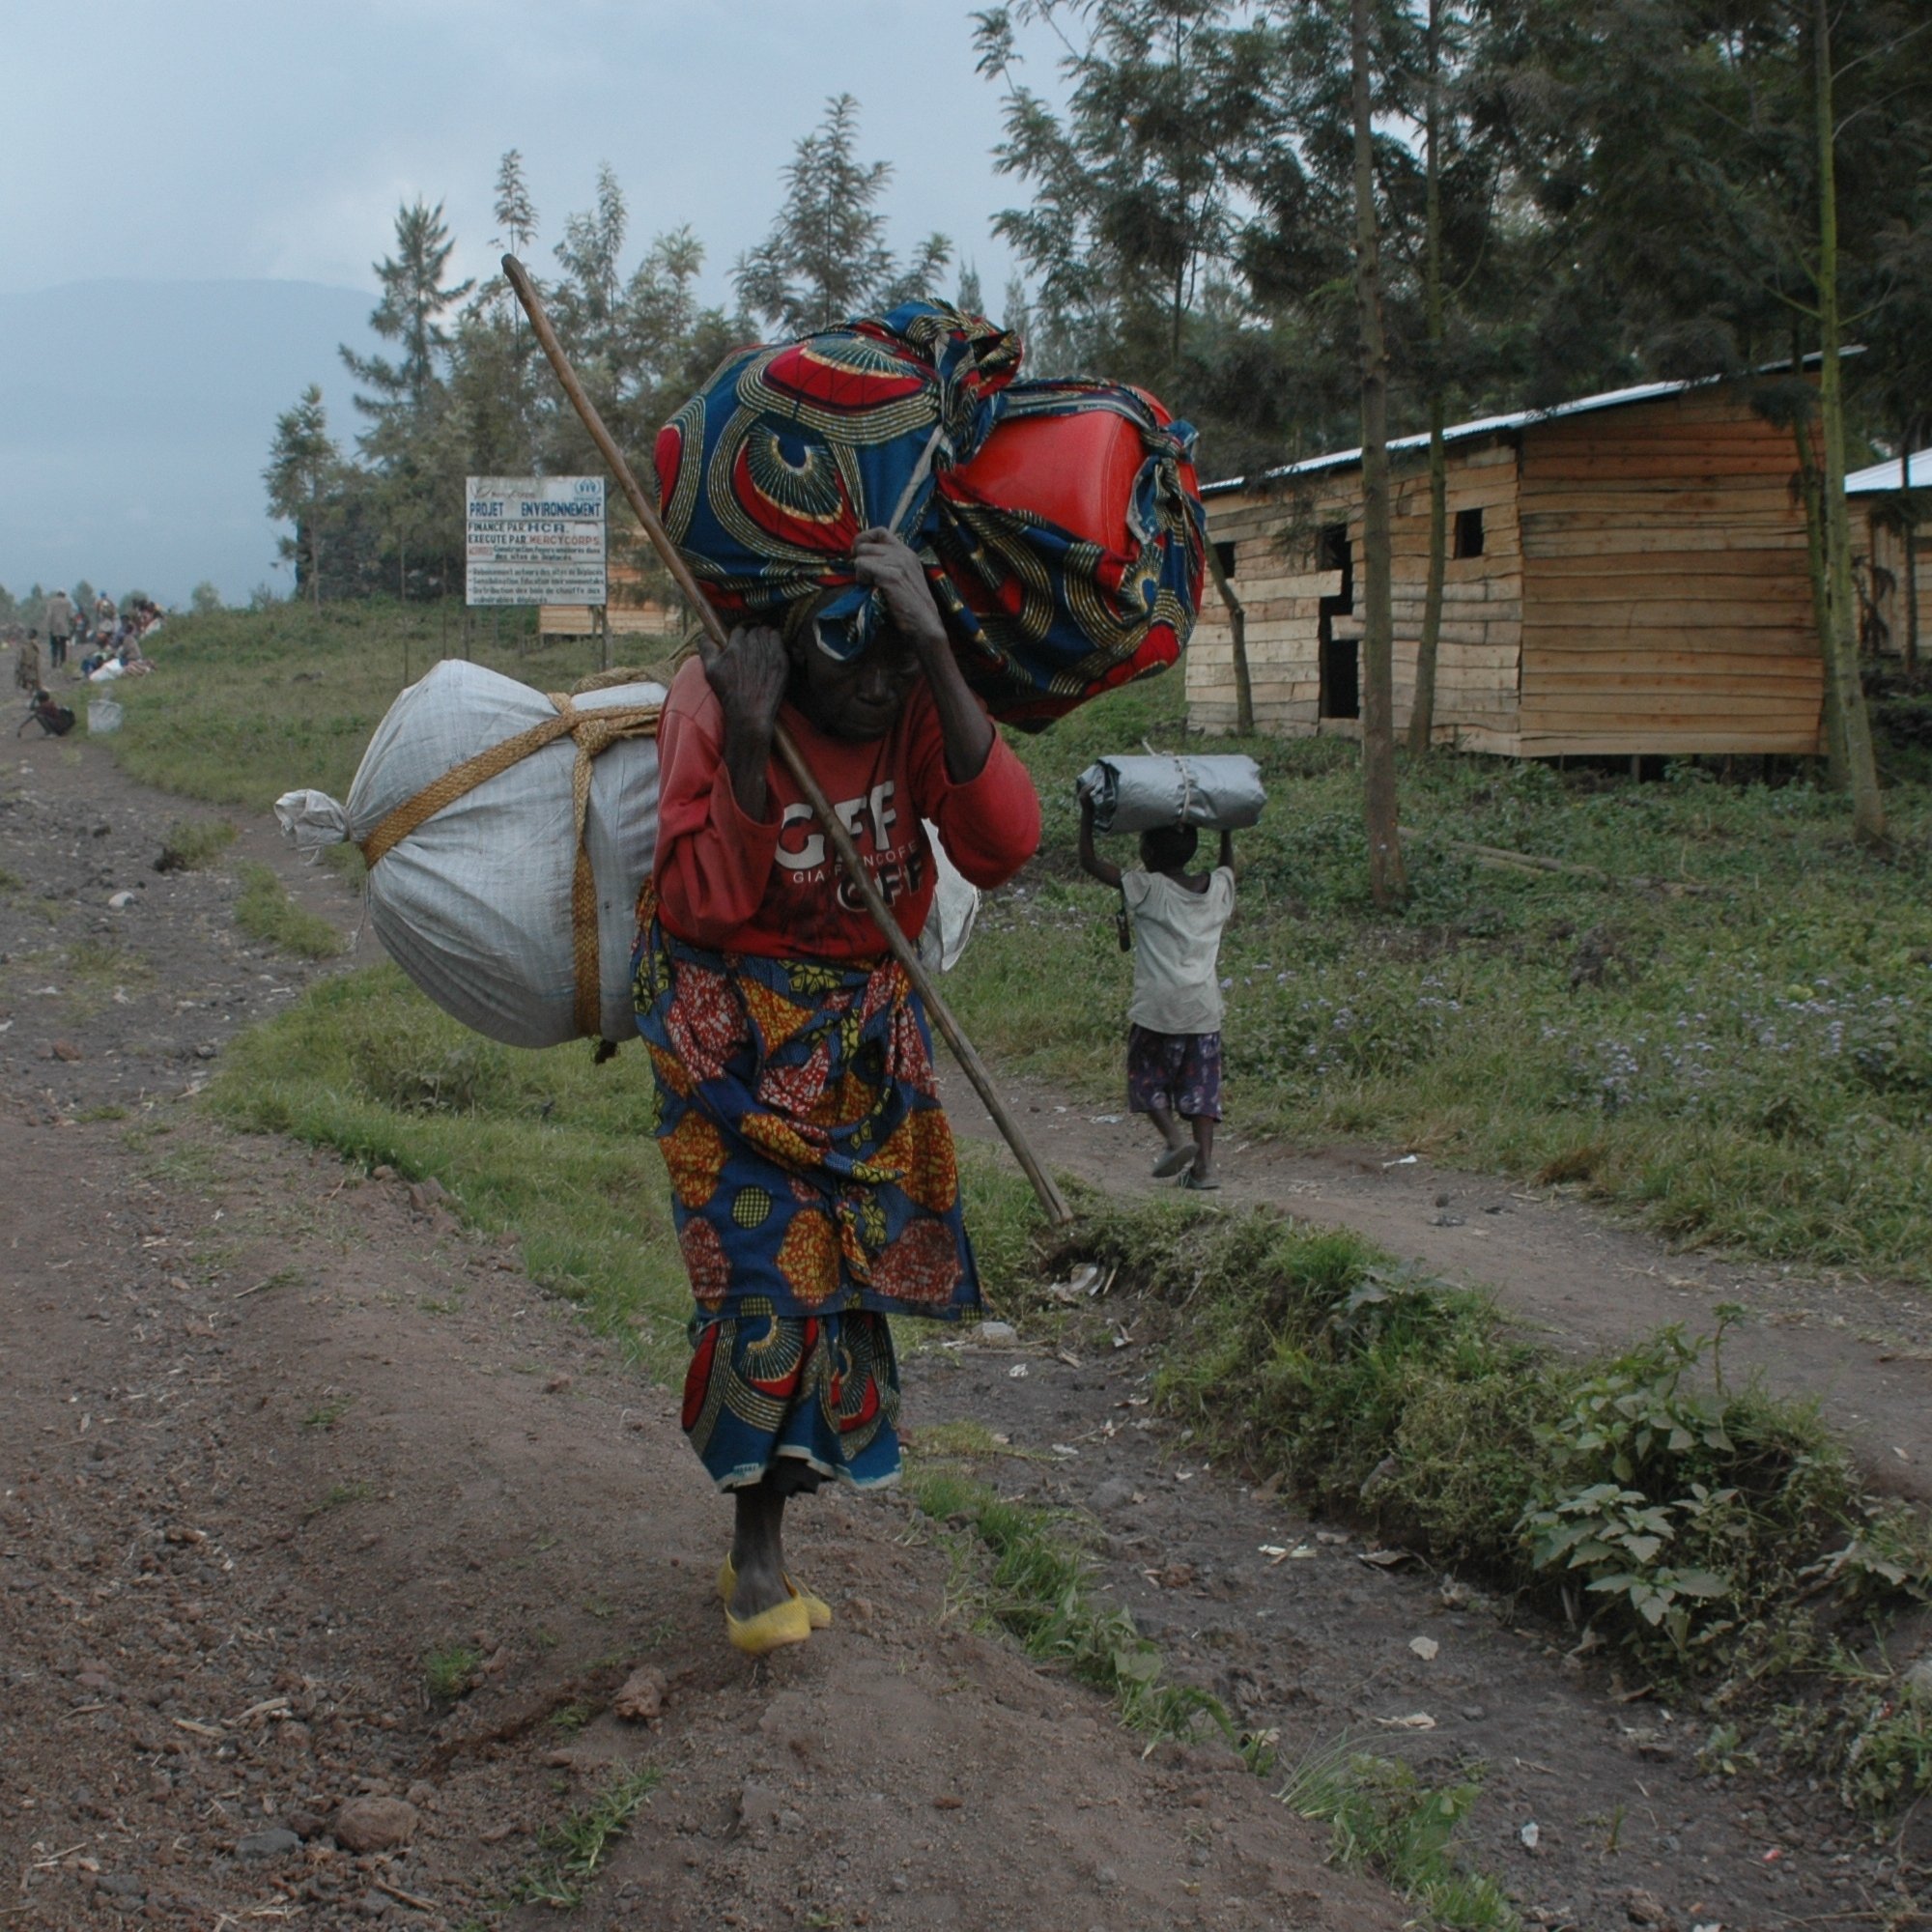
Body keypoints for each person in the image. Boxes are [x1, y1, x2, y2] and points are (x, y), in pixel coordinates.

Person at [636, 526, 1040, 1656]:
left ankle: (770, 1534)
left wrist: (935, 655)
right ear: (786, 647)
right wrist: (755, 741)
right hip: (728, 1037)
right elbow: (705, 904)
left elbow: (1005, 843)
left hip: (860, 1035)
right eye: (852, 662)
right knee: (769, 1275)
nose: (873, 688)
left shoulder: (911, 695)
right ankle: (755, 1565)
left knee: (851, 1278)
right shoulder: (718, 698)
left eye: (894, 664)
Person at [1078, 797, 1236, 1189]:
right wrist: (1227, 828)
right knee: (1202, 1088)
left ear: (1146, 852)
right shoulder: (1218, 889)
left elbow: (1091, 864)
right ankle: (1204, 1170)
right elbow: (1228, 868)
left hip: (1157, 1010)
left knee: (1146, 1078)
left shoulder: (1147, 889)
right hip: (1202, 1010)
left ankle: (1173, 1139)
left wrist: (1086, 814)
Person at [45, 590, 74, 669]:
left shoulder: (51, 602)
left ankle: (54, 660)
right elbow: (71, 616)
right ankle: (62, 662)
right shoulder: (67, 603)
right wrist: (72, 625)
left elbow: (49, 615)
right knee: (63, 645)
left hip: (54, 626)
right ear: (64, 595)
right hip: (64, 627)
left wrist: (49, 626)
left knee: (54, 645)